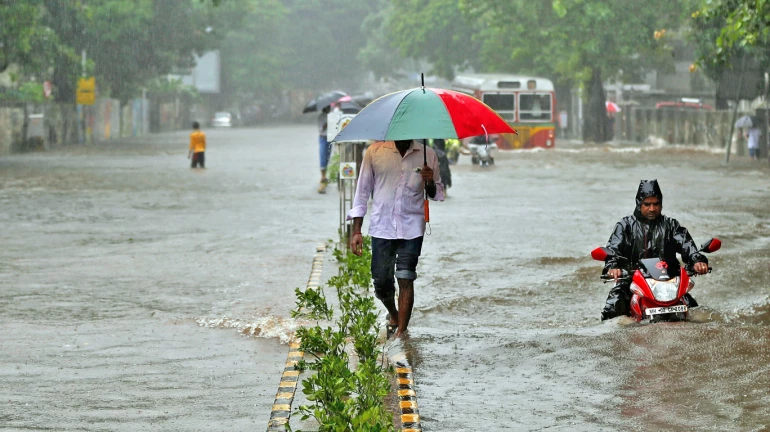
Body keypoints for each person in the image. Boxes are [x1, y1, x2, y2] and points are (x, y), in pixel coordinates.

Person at [348, 139, 444, 338]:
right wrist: (356, 230)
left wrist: (429, 181)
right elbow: (362, 192)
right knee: (381, 282)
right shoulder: (374, 152)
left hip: (413, 227)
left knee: (406, 277)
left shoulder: (428, 154)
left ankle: (402, 333)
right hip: (382, 226)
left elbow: (436, 193)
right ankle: (394, 314)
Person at [601, 179, 709, 320]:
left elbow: (686, 244)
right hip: (632, 281)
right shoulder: (625, 225)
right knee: (614, 306)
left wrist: (697, 260)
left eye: (656, 204)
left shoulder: (671, 225)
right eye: (647, 204)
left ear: (661, 205)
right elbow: (613, 249)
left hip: (668, 283)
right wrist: (612, 267)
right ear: (639, 204)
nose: (652, 208)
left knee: (695, 311)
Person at [317, 107, 332, 193]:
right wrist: (328, 122)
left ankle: (325, 175)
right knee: (323, 156)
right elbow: (321, 129)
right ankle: (323, 176)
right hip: (323, 137)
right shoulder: (321, 117)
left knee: (327, 157)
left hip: (329, 138)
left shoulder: (331, 116)